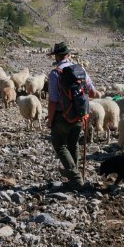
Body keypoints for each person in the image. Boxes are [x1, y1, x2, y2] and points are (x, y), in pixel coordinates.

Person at [47, 41, 98, 192]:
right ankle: (74, 179)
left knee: (60, 146)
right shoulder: (80, 70)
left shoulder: (56, 73)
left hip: (62, 117)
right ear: (68, 55)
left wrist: (50, 119)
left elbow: (53, 101)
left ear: (56, 56)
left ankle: (76, 179)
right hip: (79, 116)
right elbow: (93, 93)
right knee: (73, 144)